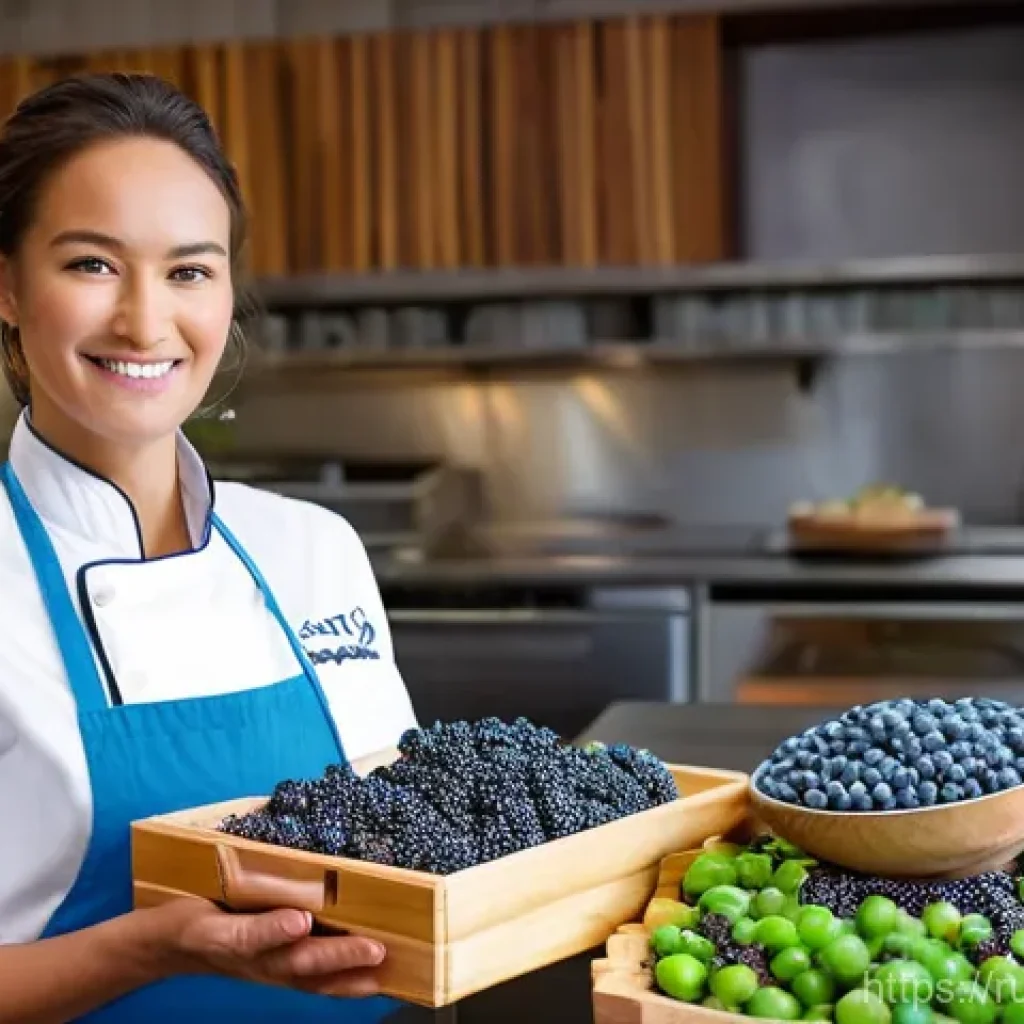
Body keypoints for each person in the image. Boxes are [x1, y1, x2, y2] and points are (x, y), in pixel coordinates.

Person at [0, 72, 422, 1022]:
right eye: (92, 265)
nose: (146, 323)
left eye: (189, 270)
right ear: (8, 288)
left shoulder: (315, 548)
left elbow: (408, 849)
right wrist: (150, 948)